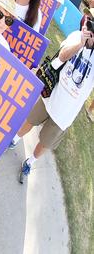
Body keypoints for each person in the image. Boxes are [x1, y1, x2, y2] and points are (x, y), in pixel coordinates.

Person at [12, 17, 94, 183]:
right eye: (91, 22)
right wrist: (81, 44)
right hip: (51, 95)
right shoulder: (77, 36)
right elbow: (62, 56)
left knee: (45, 142)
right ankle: (14, 140)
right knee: (30, 120)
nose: (90, 27)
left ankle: (30, 162)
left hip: (65, 114)